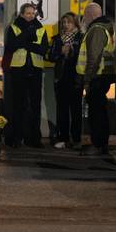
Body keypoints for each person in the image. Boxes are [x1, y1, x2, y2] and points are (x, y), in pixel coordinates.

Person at [4, 3, 49, 148]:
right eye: (28, 13)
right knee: (18, 105)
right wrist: (26, 34)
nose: (31, 15)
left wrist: (25, 44)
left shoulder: (41, 28)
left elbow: (43, 50)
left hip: (35, 70)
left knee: (35, 106)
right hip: (18, 70)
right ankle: (16, 137)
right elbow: (11, 46)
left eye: (33, 13)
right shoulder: (14, 27)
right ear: (22, 14)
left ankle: (34, 138)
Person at [76, 2, 116, 155]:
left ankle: (98, 144)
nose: (83, 18)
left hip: (97, 77)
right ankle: (101, 144)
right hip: (102, 76)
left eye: (85, 15)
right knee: (99, 110)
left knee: (96, 112)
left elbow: (93, 57)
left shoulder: (97, 30)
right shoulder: (105, 27)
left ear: (90, 15)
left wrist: (87, 80)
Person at [48, 13, 83, 150]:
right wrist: (60, 53)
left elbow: (83, 57)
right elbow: (51, 56)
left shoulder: (81, 38)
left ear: (75, 24)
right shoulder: (57, 39)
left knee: (76, 110)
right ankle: (63, 138)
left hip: (75, 78)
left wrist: (72, 51)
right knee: (61, 110)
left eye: (69, 22)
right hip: (61, 78)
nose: (66, 25)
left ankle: (76, 139)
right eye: (64, 22)